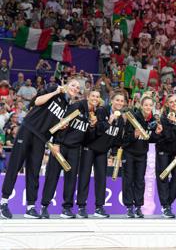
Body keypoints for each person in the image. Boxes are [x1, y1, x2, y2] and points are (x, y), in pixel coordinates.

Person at [0, 80, 80, 219]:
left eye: (78, 88)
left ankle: (30, 207)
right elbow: (36, 102)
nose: (75, 88)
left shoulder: (68, 108)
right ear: (66, 85)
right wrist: (56, 92)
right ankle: (3, 202)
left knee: (34, 171)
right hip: (28, 129)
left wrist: (59, 126)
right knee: (15, 165)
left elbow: (53, 126)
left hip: (41, 138)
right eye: (73, 85)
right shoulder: (54, 89)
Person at [40, 89, 101, 219]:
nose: (95, 98)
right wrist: (56, 143)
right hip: (61, 146)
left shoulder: (93, 115)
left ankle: (66, 208)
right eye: (93, 96)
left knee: (71, 179)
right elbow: (62, 123)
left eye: (97, 97)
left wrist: (91, 127)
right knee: (52, 176)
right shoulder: (77, 106)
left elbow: (87, 139)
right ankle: (44, 206)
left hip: (75, 149)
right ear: (88, 96)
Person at [76, 90, 125, 218]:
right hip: (89, 147)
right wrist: (109, 121)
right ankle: (81, 207)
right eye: (117, 100)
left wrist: (114, 153)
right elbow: (97, 130)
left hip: (102, 151)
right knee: (84, 177)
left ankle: (99, 207)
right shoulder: (102, 110)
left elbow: (117, 138)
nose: (119, 103)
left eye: (122, 101)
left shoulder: (120, 120)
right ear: (112, 100)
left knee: (101, 179)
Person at [122, 96, 163, 218]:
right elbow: (124, 140)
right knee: (128, 180)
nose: (148, 107)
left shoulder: (153, 121)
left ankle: (138, 207)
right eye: (146, 105)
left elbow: (151, 139)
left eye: (150, 105)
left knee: (140, 180)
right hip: (129, 152)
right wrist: (134, 135)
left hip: (142, 154)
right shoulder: (133, 117)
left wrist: (157, 133)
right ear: (141, 105)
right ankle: (129, 207)